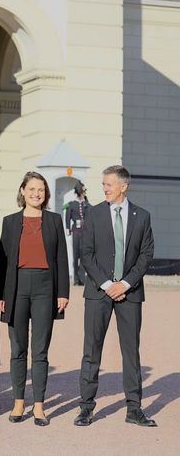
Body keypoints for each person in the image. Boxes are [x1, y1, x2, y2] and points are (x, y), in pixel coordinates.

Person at [75, 165, 156, 427]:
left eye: (109, 184)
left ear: (124, 186)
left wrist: (126, 283)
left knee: (131, 352)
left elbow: (146, 254)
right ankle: (86, 408)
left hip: (130, 294)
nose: (105, 188)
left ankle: (134, 409)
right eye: (103, 184)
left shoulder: (142, 216)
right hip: (99, 292)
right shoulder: (94, 213)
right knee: (91, 351)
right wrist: (109, 283)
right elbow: (86, 253)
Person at [0, 171, 69, 426]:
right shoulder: (9, 221)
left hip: (45, 287)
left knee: (40, 350)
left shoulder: (54, 220)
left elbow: (61, 257)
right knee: (18, 349)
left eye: (41, 189)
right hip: (16, 287)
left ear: (45, 193)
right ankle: (18, 402)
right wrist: (1, 294)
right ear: (23, 191)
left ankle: (39, 405)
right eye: (32, 189)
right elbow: (2, 261)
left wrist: (63, 292)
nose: (36, 193)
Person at [65, 181, 90, 285]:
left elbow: (90, 213)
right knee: (76, 255)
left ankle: (82, 278)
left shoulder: (86, 204)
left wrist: (86, 201)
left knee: (84, 254)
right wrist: (67, 229)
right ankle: (75, 278)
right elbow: (68, 218)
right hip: (75, 231)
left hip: (85, 231)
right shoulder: (71, 204)